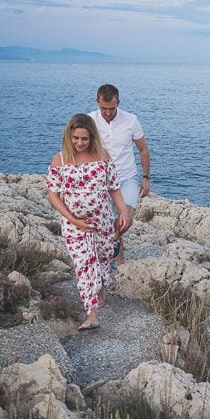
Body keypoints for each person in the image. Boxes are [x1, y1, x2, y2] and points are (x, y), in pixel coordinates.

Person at [46, 113, 130, 331]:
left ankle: (100, 289)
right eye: (75, 138)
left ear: (92, 137)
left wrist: (123, 211)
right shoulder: (60, 160)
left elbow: (113, 187)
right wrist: (73, 219)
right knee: (84, 265)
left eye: (84, 138)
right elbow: (53, 195)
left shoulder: (103, 156)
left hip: (102, 220)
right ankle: (91, 315)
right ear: (69, 136)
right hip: (74, 225)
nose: (80, 143)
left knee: (102, 258)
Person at [89, 84, 150, 265]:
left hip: (126, 177)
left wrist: (146, 178)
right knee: (107, 221)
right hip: (100, 180)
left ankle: (112, 241)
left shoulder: (131, 120)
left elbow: (143, 149)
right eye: (104, 108)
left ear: (119, 103)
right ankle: (120, 261)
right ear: (97, 102)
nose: (107, 113)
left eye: (112, 108)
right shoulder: (89, 121)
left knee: (126, 219)